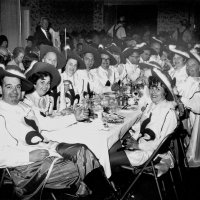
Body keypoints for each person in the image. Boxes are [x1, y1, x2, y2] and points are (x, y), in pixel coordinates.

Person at [0, 65, 117, 200]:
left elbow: (46, 124)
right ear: (0, 88)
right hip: (24, 165)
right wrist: (27, 156)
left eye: (18, 87)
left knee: (82, 151)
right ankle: (103, 194)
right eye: (9, 86)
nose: (14, 91)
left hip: (45, 148)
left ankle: (106, 195)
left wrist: (74, 117)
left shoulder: (24, 106)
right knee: (75, 167)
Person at [109, 68, 177, 171]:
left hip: (149, 153)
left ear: (165, 92)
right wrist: (132, 138)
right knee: (108, 150)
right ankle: (114, 181)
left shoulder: (169, 112)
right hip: (139, 142)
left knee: (107, 160)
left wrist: (138, 145)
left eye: (158, 89)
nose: (153, 92)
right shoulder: (152, 105)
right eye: (152, 88)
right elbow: (141, 128)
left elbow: (161, 144)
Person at [173, 53, 200, 167]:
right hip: (190, 115)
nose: (189, 68)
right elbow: (177, 90)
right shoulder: (188, 79)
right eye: (187, 66)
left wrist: (181, 98)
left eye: (192, 65)